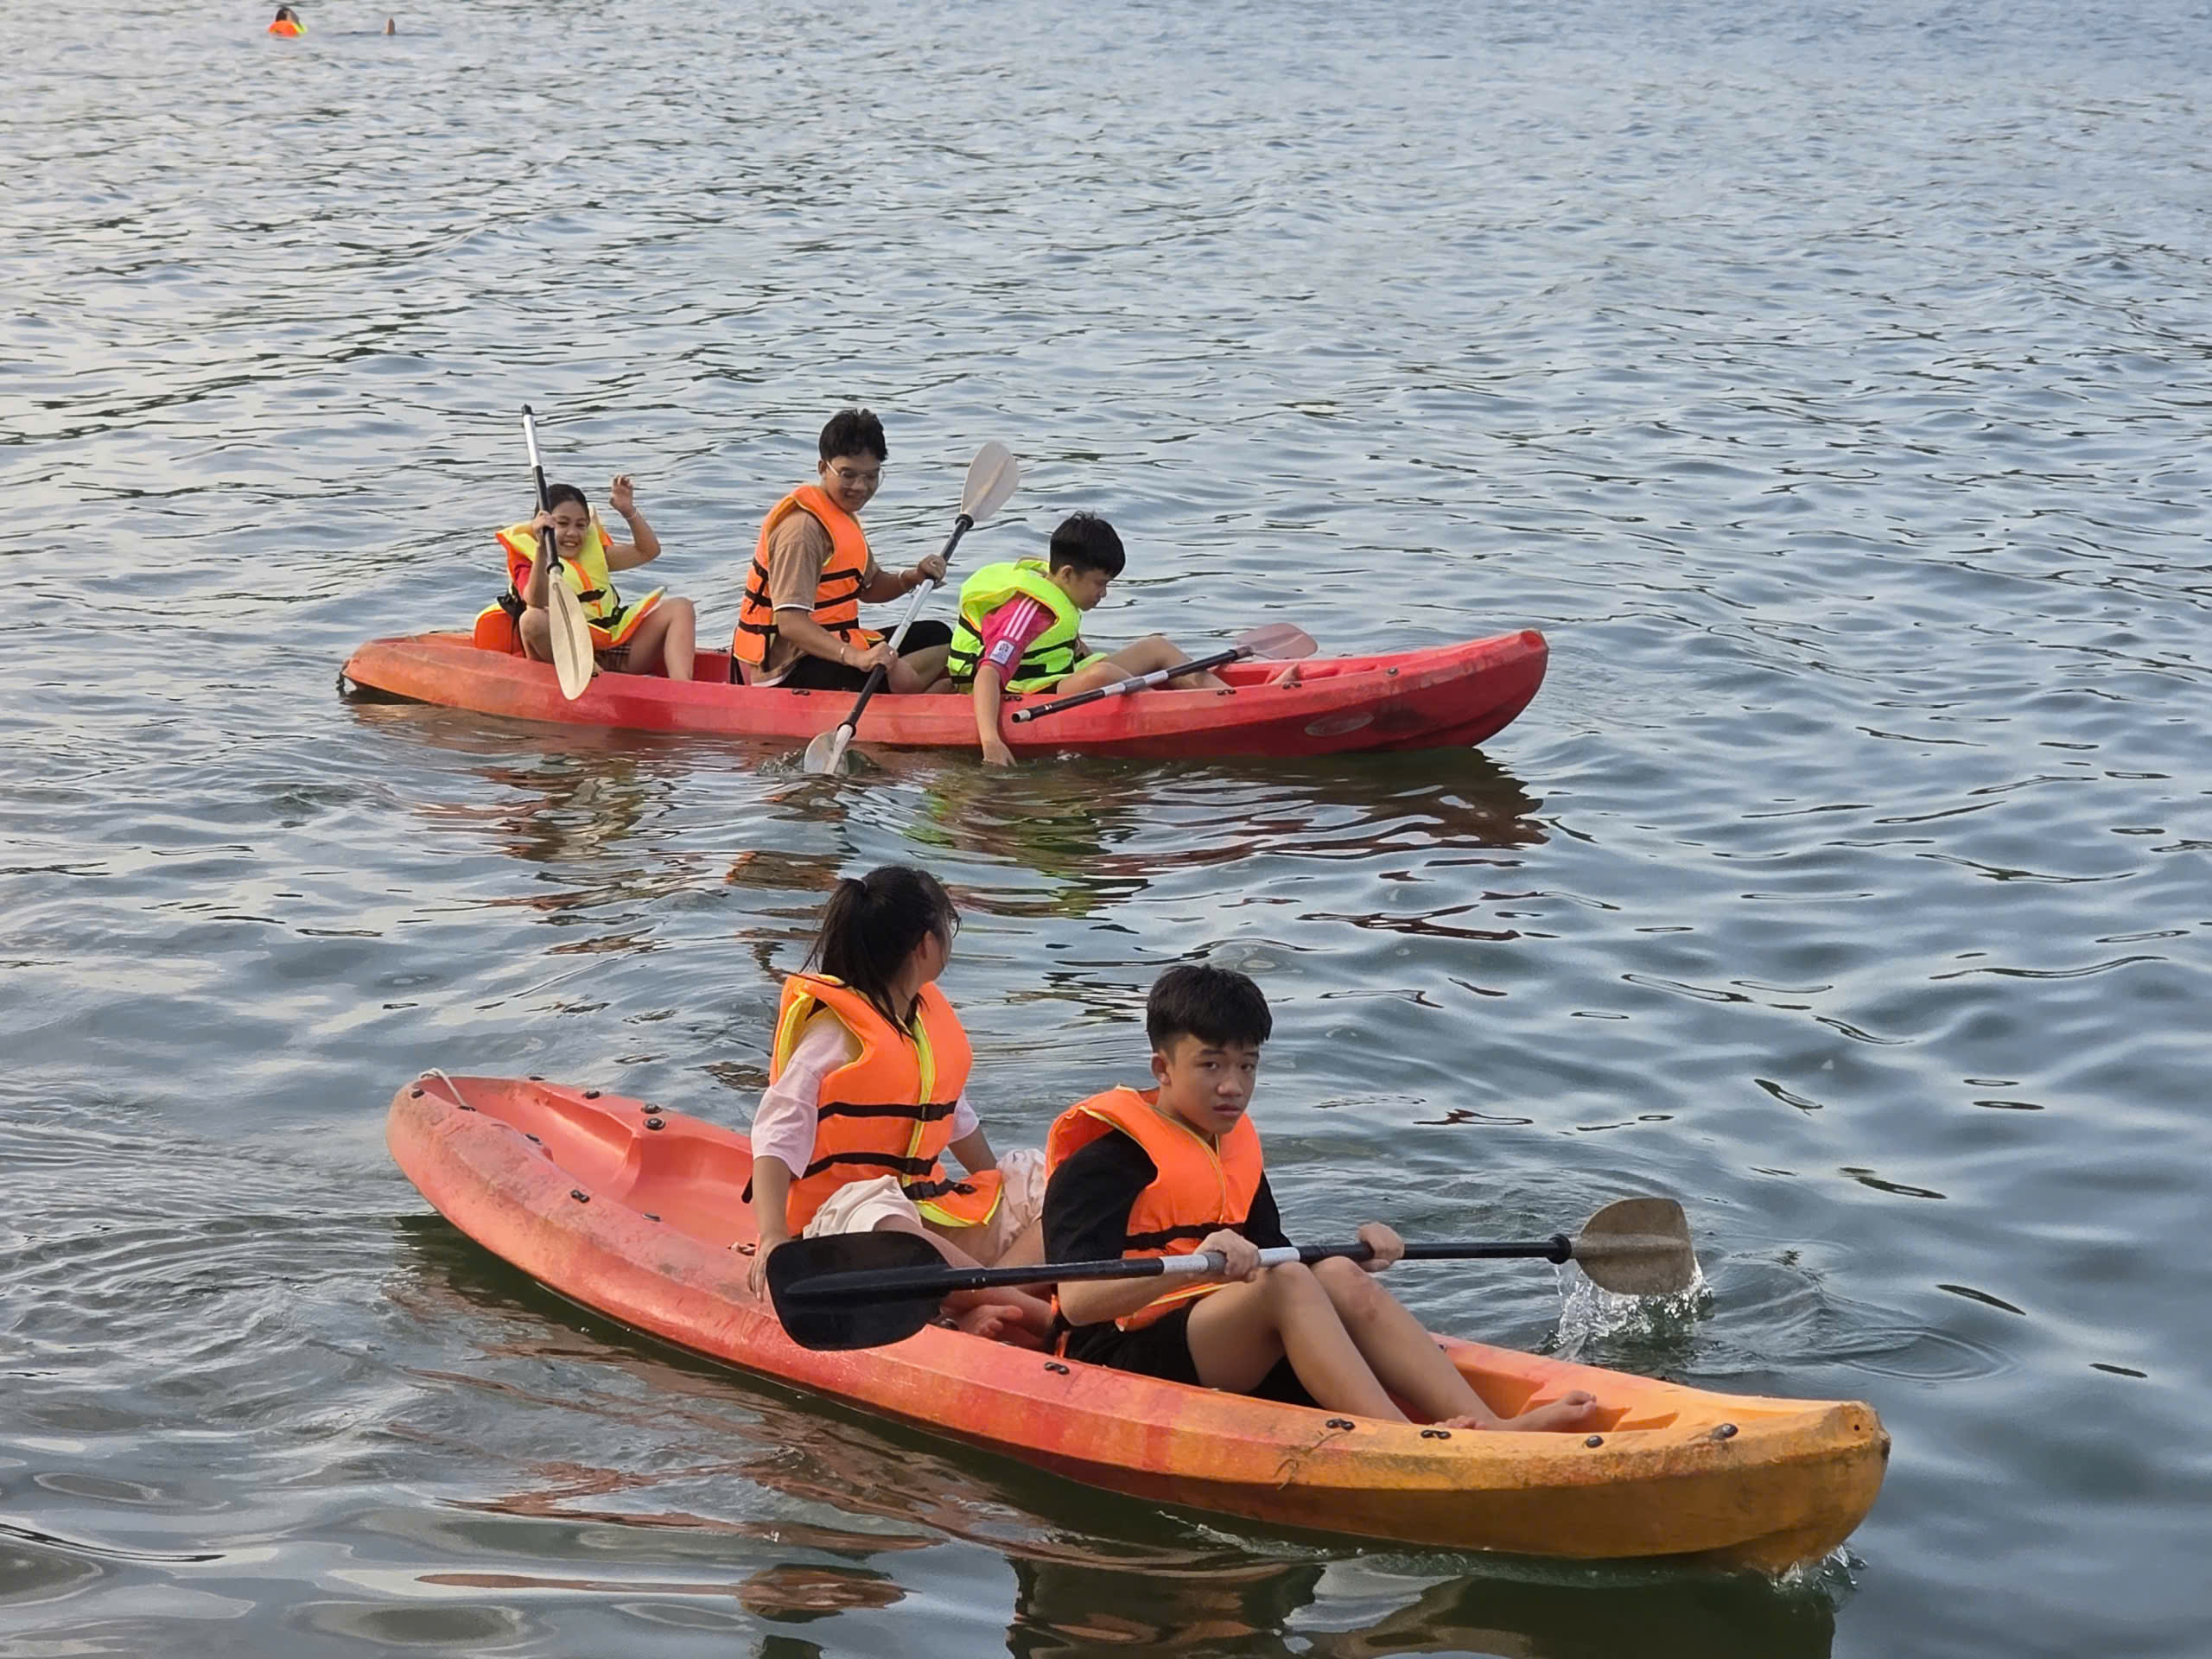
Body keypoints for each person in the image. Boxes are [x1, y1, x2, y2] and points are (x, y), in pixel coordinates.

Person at [1043, 965, 1602, 1429]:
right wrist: (1196, 1269)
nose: (1232, 1085)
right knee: (1287, 1283)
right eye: (1210, 1064)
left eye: (1247, 1065)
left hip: (1209, 1333)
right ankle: (1399, 1438)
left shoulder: (1230, 1150)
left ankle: (1488, 1424)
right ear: (1162, 1069)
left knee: (1331, 1272)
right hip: (1110, 1355)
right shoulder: (1104, 1162)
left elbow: (1278, 1255)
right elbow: (1077, 1303)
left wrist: (1360, 1252)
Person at [747, 866, 1052, 1343]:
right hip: (846, 1226)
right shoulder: (834, 1036)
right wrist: (772, 1238)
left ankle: (978, 1304)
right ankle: (1041, 1316)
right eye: (946, 931)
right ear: (926, 945)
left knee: (1052, 1186)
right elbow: (774, 1135)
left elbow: (957, 1119)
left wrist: (997, 1190)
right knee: (891, 1227)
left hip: (925, 1211)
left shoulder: (923, 1023)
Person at [946, 513, 1253, 767]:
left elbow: (1068, 648)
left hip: (1058, 676)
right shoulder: (1028, 612)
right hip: (1026, 692)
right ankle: (1179, 713)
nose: (1103, 594)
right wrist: (991, 741)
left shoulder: (1058, 589)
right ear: (1067, 574)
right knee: (1104, 675)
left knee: (1156, 646)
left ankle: (1236, 703)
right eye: (1100, 584)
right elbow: (989, 673)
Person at [731, 409, 952, 692]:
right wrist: (857, 657)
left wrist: (911, 578)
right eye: (848, 475)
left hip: (834, 646)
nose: (861, 487)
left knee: (937, 635)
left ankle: (925, 688)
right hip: (790, 668)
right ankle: (928, 696)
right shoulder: (802, 531)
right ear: (823, 468)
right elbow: (790, 623)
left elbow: (869, 588)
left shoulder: (841, 513)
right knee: (916, 664)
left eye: (871, 476)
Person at [474, 475, 698, 682]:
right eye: (562, 523)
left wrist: (628, 512)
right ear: (544, 525)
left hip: (613, 651)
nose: (573, 533)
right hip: (565, 660)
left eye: (580, 525)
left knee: (681, 607)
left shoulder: (593, 554)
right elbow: (534, 600)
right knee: (532, 619)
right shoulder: (529, 558)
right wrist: (543, 547)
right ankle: (587, 674)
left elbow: (647, 552)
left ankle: (683, 688)